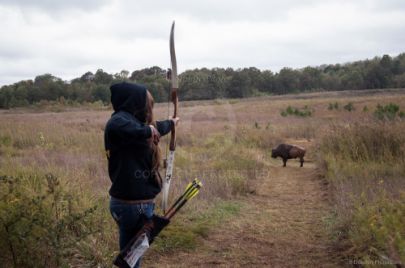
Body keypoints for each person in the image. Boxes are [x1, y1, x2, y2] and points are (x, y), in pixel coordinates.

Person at [104, 82, 179, 267]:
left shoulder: (133, 123)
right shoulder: (119, 122)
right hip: (132, 207)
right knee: (131, 260)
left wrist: (171, 123)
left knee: (131, 257)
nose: (148, 109)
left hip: (132, 204)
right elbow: (128, 128)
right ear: (134, 102)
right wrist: (148, 130)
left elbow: (154, 127)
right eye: (146, 103)